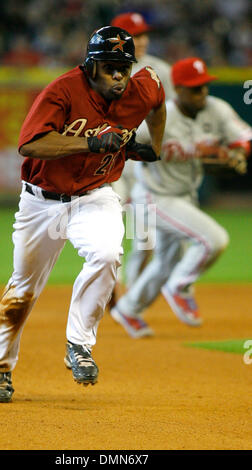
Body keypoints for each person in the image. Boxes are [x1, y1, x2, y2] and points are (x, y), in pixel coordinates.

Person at [0, 26, 166, 402]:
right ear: (91, 66)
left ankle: (79, 344)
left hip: (94, 196)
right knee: (23, 289)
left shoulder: (141, 87)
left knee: (108, 253)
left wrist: (155, 146)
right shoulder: (63, 90)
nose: (119, 75)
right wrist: (91, 142)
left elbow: (158, 97)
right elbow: (30, 144)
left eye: (124, 67)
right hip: (40, 203)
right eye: (110, 66)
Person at [110, 57, 252, 338]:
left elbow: (243, 137)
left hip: (185, 197)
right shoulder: (161, 116)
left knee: (166, 261)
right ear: (179, 89)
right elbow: (122, 144)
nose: (202, 93)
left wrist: (238, 153)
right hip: (153, 197)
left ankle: (128, 308)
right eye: (195, 88)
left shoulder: (216, 110)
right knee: (214, 239)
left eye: (204, 87)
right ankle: (180, 286)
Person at [109, 12, 175, 300]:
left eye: (144, 34)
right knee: (110, 224)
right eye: (134, 35)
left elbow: (169, 114)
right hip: (111, 159)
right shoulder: (103, 69)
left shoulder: (162, 70)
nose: (142, 40)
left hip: (142, 162)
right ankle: (109, 281)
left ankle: (131, 298)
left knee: (144, 236)